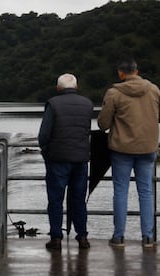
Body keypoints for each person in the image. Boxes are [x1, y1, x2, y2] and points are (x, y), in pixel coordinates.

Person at [98, 58, 160, 248]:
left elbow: (103, 124)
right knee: (146, 192)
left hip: (121, 149)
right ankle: (148, 237)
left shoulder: (114, 93)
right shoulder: (154, 90)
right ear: (137, 71)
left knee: (120, 192)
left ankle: (119, 237)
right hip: (148, 148)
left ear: (121, 73)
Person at [38, 73, 94, 250]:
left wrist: (47, 153)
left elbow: (43, 135)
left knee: (56, 199)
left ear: (58, 88)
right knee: (78, 199)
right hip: (81, 159)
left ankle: (56, 238)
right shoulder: (87, 104)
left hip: (58, 159)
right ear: (76, 87)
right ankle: (82, 237)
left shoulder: (53, 104)